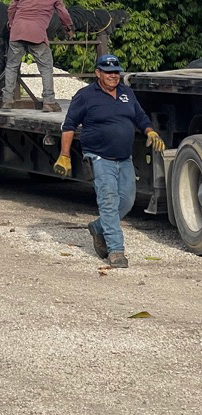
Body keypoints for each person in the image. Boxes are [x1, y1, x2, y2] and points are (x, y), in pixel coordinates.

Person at [54, 53, 165, 269]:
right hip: (99, 157)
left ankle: (98, 227)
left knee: (127, 201)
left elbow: (140, 117)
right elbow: (69, 127)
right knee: (109, 202)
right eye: (108, 72)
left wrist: (150, 131)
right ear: (98, 73)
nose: (114, 76)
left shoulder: (126, 93)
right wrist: (64, 155)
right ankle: (116, 250)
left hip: (124, 158)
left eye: (116, 72)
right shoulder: (85, 96)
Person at [2, 0, 74, 112]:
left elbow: (11, 9)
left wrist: (11, 23)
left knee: (12, 66)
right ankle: (48, 101)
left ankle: (7, 100)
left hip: (18, 31)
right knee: (46, 67)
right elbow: (63, 14)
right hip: (37, 34)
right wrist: (69, 29)